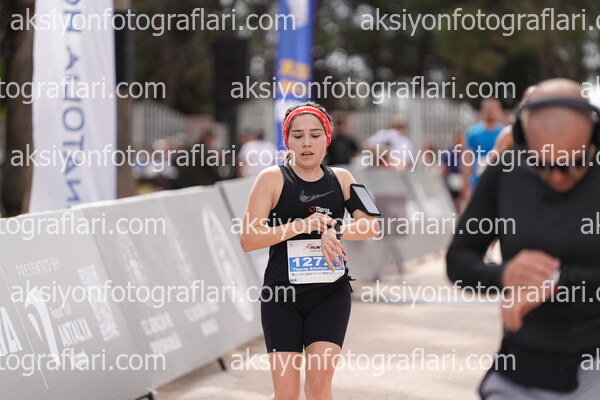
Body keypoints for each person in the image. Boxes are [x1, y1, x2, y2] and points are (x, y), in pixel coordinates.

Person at [446, 79, 600, 399]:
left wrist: (554, 282)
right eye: (542, 164)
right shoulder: (506, 174)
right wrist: (503, 275)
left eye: (572, 164)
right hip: (522, 366)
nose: (557, 175)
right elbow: (459, 259)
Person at [240, 101, 380, 400]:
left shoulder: (341, 178)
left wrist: (335, 229)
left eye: (315, 135)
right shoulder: (271, 178)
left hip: (330, 294)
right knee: (286, 394)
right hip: (282, 296)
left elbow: (372, 226)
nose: (306, 143)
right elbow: (249, 239)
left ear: (327, 139)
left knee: (318, 387)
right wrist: (300, 226)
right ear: (287, 140)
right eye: (298, 135)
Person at [461, 99, 504, 199]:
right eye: (487, 109)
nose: (490, 112)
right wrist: (465, 185)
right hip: (477, 183)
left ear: (499, 111)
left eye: (493, 109)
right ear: (482, 111)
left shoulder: (504, 133)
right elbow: (467, 160)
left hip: (499, 184)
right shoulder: (472, 133)